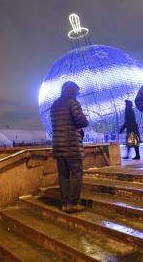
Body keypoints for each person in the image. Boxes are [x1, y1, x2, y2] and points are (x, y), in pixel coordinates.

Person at [50, 81, 89, 213]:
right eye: (76, 92)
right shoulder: (72, 103)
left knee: (63, 175)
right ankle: (73, 203)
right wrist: (84, 119)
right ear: (72, 91)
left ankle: (65, 203)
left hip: (58, 146)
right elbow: (82, 121)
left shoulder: (54, 105)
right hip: (71, 146)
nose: (77, 95)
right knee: (76, 173)